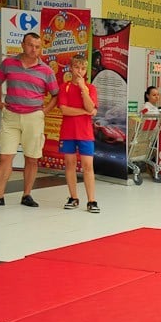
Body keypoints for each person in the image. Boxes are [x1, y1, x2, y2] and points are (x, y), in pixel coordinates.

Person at [0, 32, 59, 207]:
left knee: (31, 158)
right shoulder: (9, 63)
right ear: (22, 44)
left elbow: (55, 95)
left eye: (37, 47)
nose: (33, 49)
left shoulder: (46, 70)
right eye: (30, 45)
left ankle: (27, 195)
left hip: (34, 117)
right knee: (5, 156)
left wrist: (44, 111)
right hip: (11, 115)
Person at [58, 55, 99, 214]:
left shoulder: (91, 88)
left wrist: (83, 88)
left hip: (85, 133)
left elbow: (91, 107)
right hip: (68, 132)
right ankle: (73, 197)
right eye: (76, 67)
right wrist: (84, 112)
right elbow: (64, 110)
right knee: (70, 164)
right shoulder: (64, 87)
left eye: (82, 68)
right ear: (71, 68)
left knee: (88, 166)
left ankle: (91, 200)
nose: (79, 71)